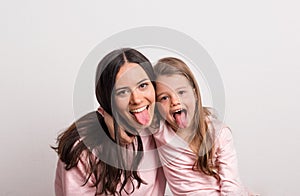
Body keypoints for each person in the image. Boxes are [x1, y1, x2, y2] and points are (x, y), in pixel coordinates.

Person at [53, 48, 166, 196]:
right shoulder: (83, 150)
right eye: (123, 92)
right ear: (107, 100)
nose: (137, 99)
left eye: (143, 85)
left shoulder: (162, 127)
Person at [152, 57, 248, 195]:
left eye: (181, 92)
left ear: (195, 93)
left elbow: (231, 185)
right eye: (164, 98)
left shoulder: (219, 133)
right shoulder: (160, 131)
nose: (175, 101)